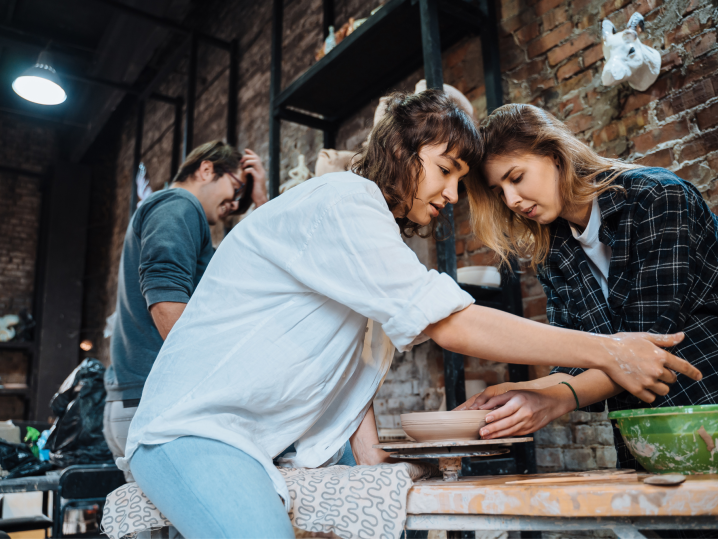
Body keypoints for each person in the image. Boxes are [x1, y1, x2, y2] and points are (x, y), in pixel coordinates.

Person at [118, 91, 699, 538]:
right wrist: (607, 350)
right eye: (445, 170)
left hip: (256, 441)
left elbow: (348, 376)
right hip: (194, 430)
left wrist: (376, 470)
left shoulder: (361, 225)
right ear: (402, 148)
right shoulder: (344, 200)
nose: (450, 197)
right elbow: (450, 324)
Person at [458, 104, 717, 474]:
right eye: (500, 191)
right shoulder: (553, 251)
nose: (512, 200)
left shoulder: (657, 198)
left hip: (707, 408)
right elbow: (578, 360)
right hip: (644, 438)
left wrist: (554, 401)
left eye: (516, 177)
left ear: (555, 155)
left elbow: (645, 348)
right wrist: (516, 393)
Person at [103, 141, 268, 465]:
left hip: (141, 403)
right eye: (236, 189)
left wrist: (261, 202)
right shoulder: (179, 205)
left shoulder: (178, 214)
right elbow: (165, 297)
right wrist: (216, 381)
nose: (234, 205)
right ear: (207, 169)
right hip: (155, 404)